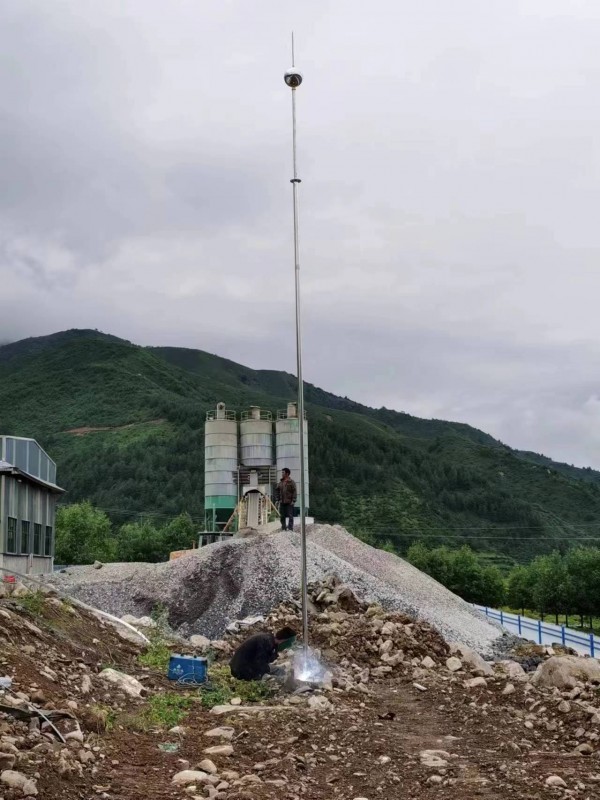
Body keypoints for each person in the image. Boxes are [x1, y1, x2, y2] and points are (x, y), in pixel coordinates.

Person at [229, 626, 297, 681]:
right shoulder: (266, 642)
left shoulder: (268, 639)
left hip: (242, 665)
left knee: (279, 670)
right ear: (283, 641)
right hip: (242, 669)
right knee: (278, 678)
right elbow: (259, 663)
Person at [276, 467, 297, 532]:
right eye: (282, 472)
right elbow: (277, 490)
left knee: (290, 516)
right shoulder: (280, 483)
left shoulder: (291, 482)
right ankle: (283, 528)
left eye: (283, 472)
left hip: (289, 502)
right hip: (282, 502)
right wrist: (277, 499)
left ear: (287, 474)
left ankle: (290, 528)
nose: (282, 474)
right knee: (282, 516)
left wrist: (293, 500)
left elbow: (294, 491)